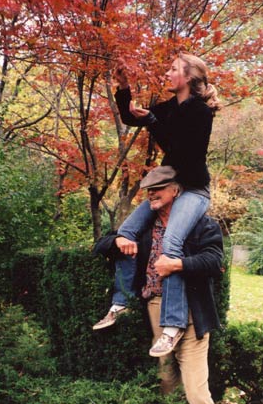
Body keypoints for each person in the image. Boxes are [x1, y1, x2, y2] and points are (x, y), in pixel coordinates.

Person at [93, 165, 227, 404]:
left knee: (198, 395)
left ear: (175, 191)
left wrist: (178, 265)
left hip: (193, 320)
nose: (151, 195)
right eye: (148, 190)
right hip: (156, 310)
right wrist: (118, 240)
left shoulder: (200, 224)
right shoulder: (144, 224)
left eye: (159, 189)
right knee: (167, 387)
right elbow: (102, 245)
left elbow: (214, 261)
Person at [93, 52, 220, 357]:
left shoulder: (200, 112)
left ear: (188, 77)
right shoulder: (169, 108)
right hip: (170, 187)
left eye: (172, 69)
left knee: (171, 245)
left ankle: (172, 327)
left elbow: (181, 152)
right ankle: (120, 302)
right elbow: (129, 117)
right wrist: (124, 90)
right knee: (126, 232)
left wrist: (152, 121)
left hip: (192, 189)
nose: (166, 73)